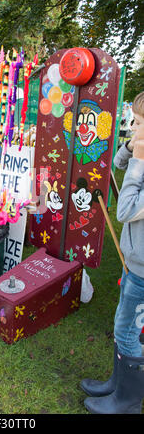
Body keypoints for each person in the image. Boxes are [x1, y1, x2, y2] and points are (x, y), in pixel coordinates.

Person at [81, 91, 144, 414]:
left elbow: (128, 209)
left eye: (139, 123)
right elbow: (116, 165)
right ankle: (117, 384)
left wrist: (139, 160)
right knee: (124, 323)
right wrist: (132, 148)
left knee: (127, 330)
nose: (132, 127)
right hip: (135, 263)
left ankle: (129, 400)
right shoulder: (140, 149)